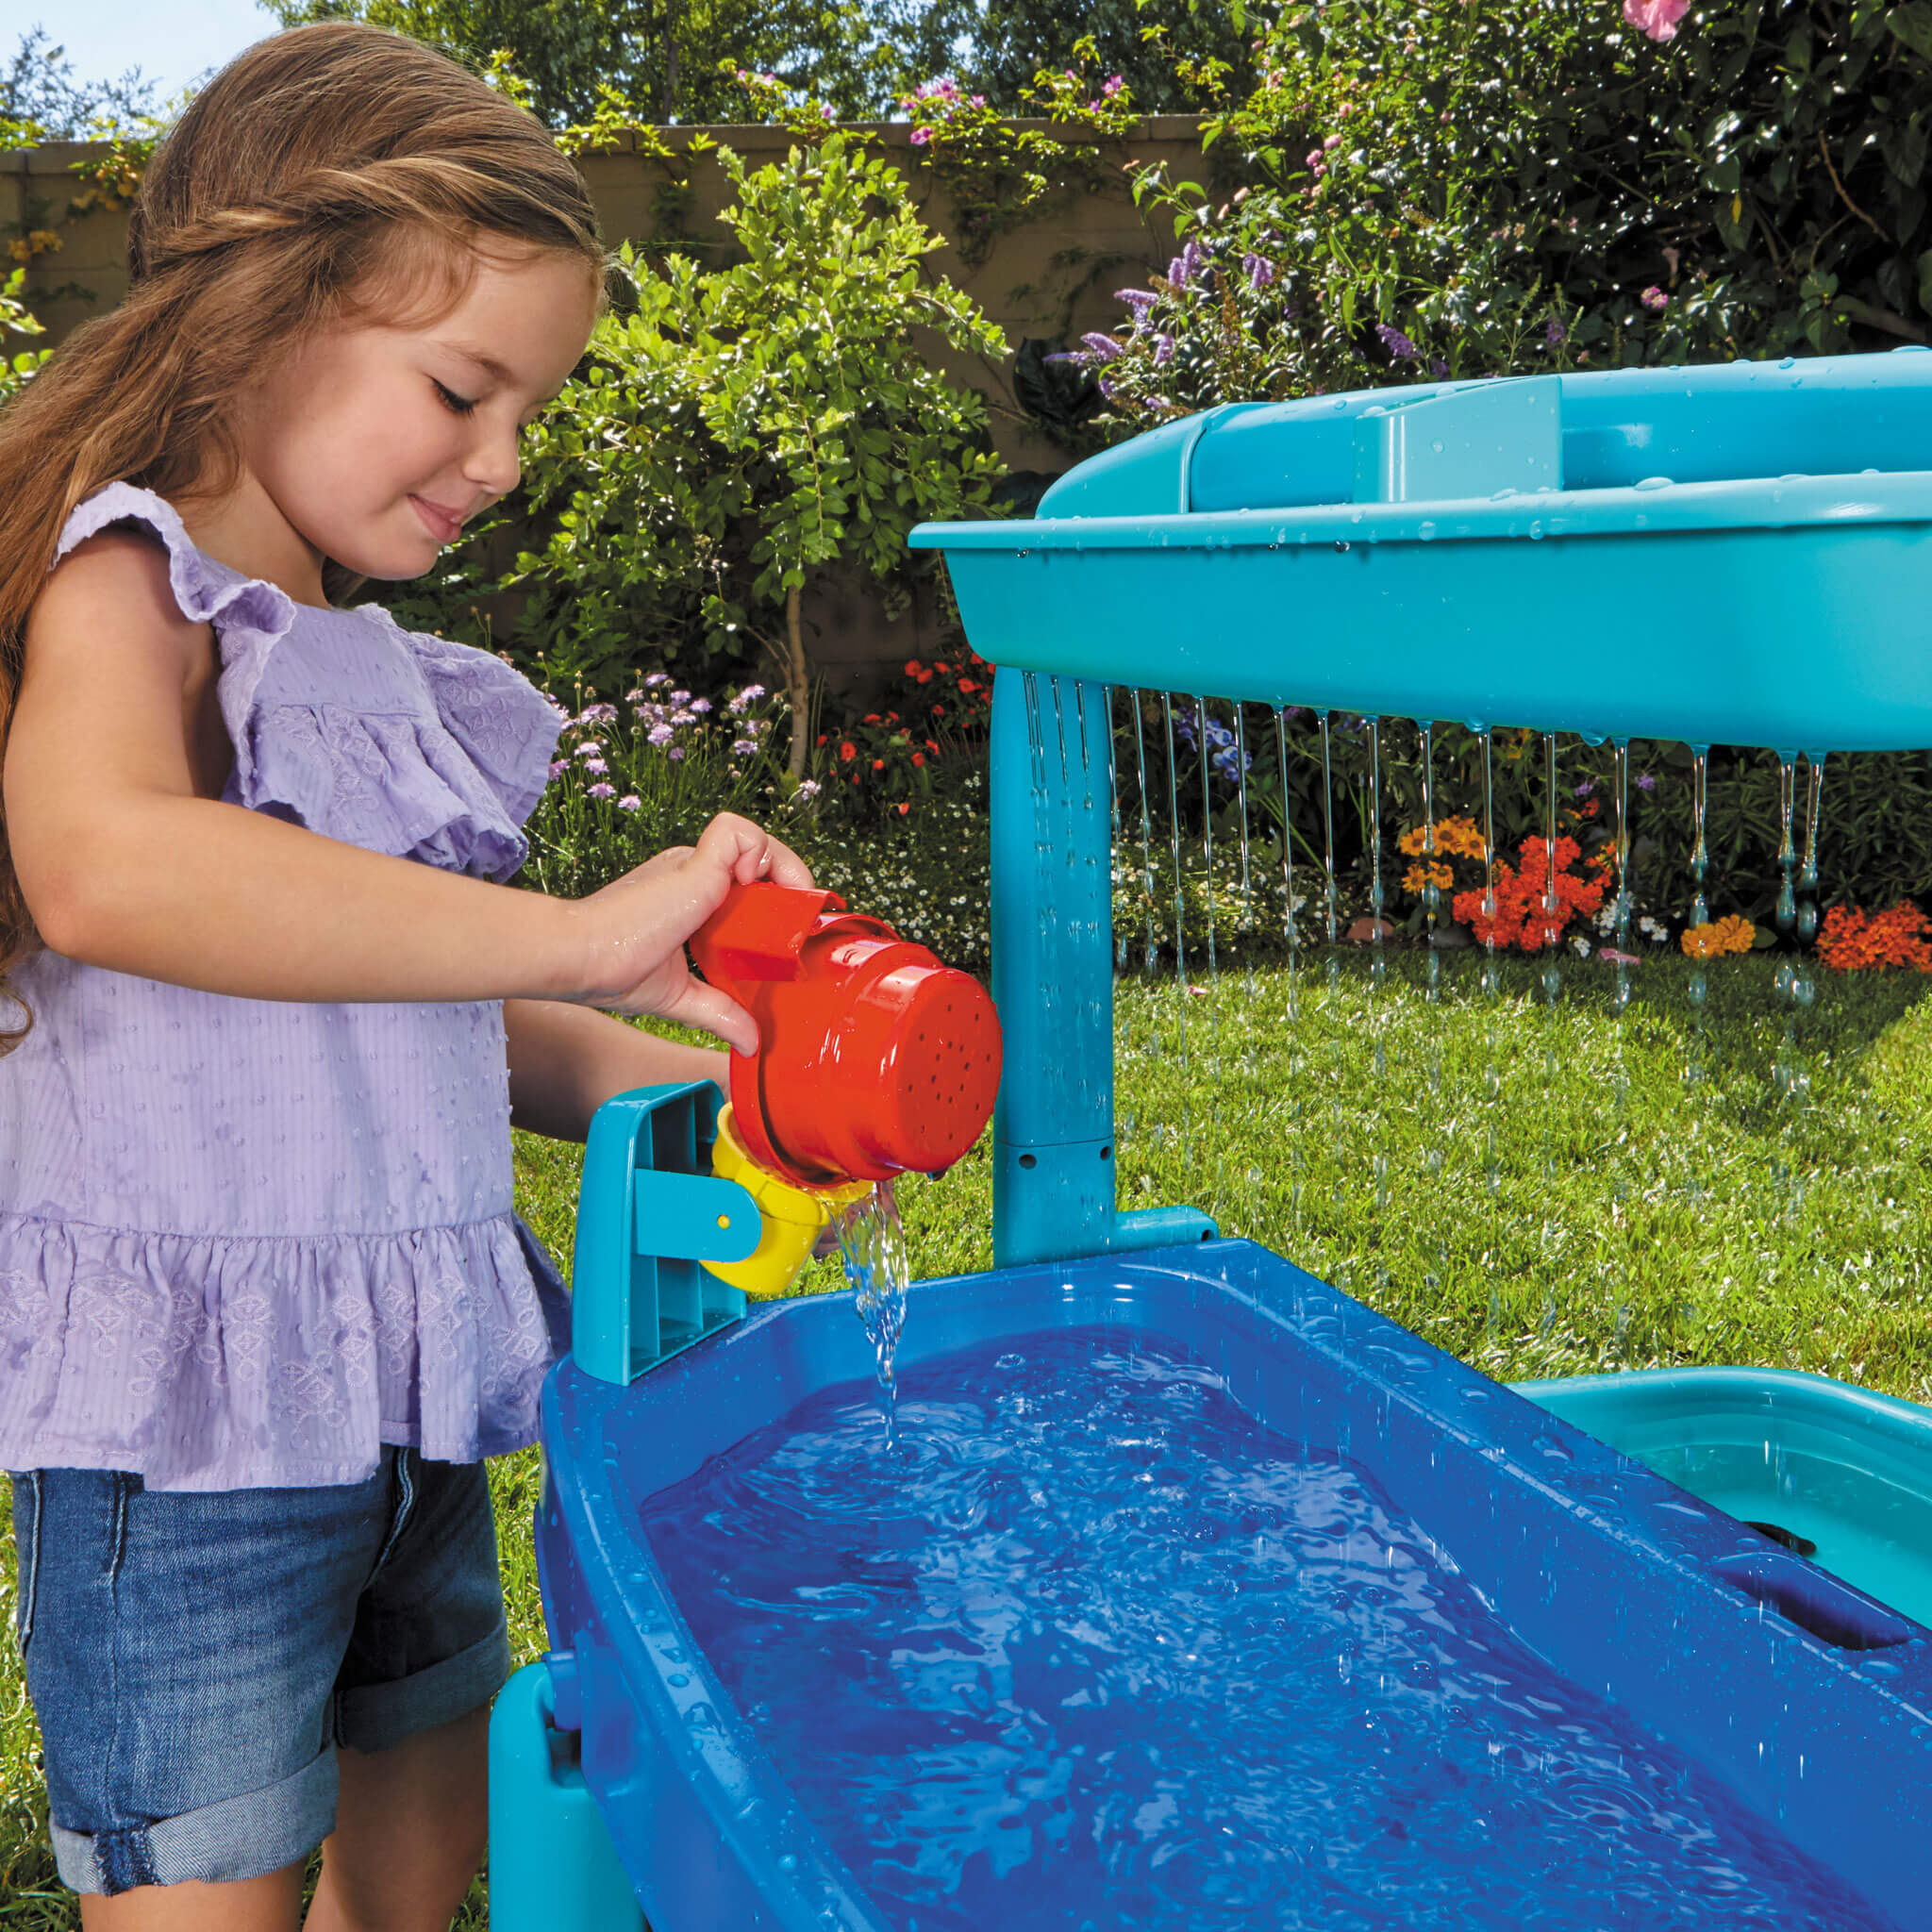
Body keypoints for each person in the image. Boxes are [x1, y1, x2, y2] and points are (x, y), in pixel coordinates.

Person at [0, 23, 805, 1929]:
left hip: (411, 1398)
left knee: (421, 1882)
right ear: (263, 314)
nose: (501, 460)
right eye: (462, 388)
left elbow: (395, 1005)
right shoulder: (131, 586)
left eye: (529, 411)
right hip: (185, 1434)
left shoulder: (360, 663)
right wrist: (580, 924)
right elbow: (109, 869)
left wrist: (687, 1049)